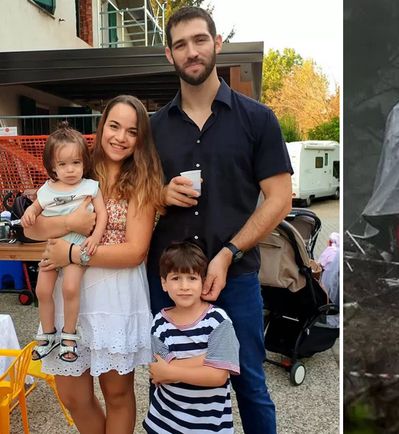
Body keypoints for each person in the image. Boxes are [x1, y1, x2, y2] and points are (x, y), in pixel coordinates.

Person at [146, 7, 292, 433]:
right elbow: (130, 194)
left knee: (248, 383)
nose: (191, 51)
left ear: (217, 44)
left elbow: (279, 199)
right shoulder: (154, 128)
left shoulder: (257, 119)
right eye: (180, 45)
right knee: (167, 380)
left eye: (199, 40)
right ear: (168, 55)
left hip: (237, 276)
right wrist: (159, 193)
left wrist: (228, 253)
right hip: (168, 279)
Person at [25, 94, 165, 433]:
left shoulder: (143, 180)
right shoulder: (77, 167)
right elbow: (33, 230)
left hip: (115, 292)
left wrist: (73, 254)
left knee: (116, 393)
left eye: (131, 131)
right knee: (71, 393)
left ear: (140, 138)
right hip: (68, 290)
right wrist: (70, 226)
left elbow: (135, 251)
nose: (120, 137)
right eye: (114, 126)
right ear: (101, 127)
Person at [22, 122, 107, 363]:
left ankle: (69, 336)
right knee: (42, 290)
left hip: (76, 247)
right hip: (52, 247)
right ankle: (47, 334)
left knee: (70, 288)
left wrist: (95, 237)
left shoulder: (90, 187)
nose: (70, 170)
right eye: (63, 164)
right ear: (52, 167)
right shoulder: (47, 190)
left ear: (84, 163)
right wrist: (30, 213)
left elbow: (102, 214)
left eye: (76, 163)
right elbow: (34, 209)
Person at [144, 241, 240, 433]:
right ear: (164, 283)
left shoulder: (218, 321)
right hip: (164, 423)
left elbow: (218, 376)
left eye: (192, 278)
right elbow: (158, 371)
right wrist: (209, 360)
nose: (184, 286)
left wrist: (172, 372)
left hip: (207, 426)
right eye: (176, 278)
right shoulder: (159, 322)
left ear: (203, 281)